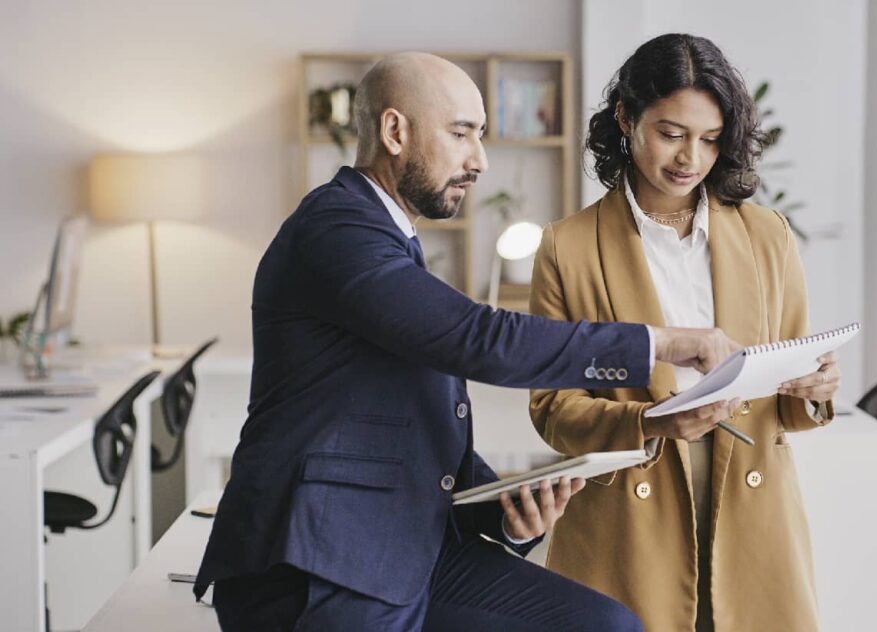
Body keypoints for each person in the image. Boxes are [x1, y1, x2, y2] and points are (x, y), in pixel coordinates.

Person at [192, 52, 741, 632]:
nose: (479, 161)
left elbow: (406, 428)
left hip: (407, 547)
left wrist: (506, 511)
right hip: (317, 561)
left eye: (480, 137)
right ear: (395, 131)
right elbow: (478, 338)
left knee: (606, 625)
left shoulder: (389, 238)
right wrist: (660, 343)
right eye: (461, 134)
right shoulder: (336, 230)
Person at [528, 34, 841, 632]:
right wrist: (648, 422)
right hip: (628, 519)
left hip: (752, 511)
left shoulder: (767, 235)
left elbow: (792, 408)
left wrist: (817, 388)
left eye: (710, 139)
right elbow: (552, 410)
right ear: (625, 117)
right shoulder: (568, 247)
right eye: (671, 133)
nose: (689, 158)